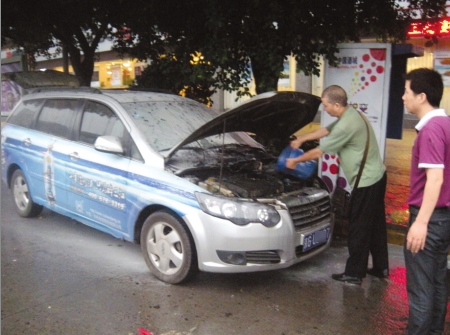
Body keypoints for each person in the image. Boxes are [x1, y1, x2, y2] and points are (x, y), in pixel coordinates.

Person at [286, 85, 389, 285]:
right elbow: (324, 131)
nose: (324, 109)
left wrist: (294, 161)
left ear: (336, 104)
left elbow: (319, 152)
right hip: (377, 177)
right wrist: (302, 139)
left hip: (367, 182)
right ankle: (381, 267)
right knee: (376, 225)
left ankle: (354, 273)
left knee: (358, 226)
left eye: (325, 105)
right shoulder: (351, 115)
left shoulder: (345, 125)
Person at [401, 68, 450, 335]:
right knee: (438, 283)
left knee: (421, 290)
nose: (403, 97)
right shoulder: (446, 124)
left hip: (429, 218)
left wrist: (420, 223)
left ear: (421, 96)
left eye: (407, 92)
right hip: (443, 218)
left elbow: (435, 179)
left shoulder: (431, 130)